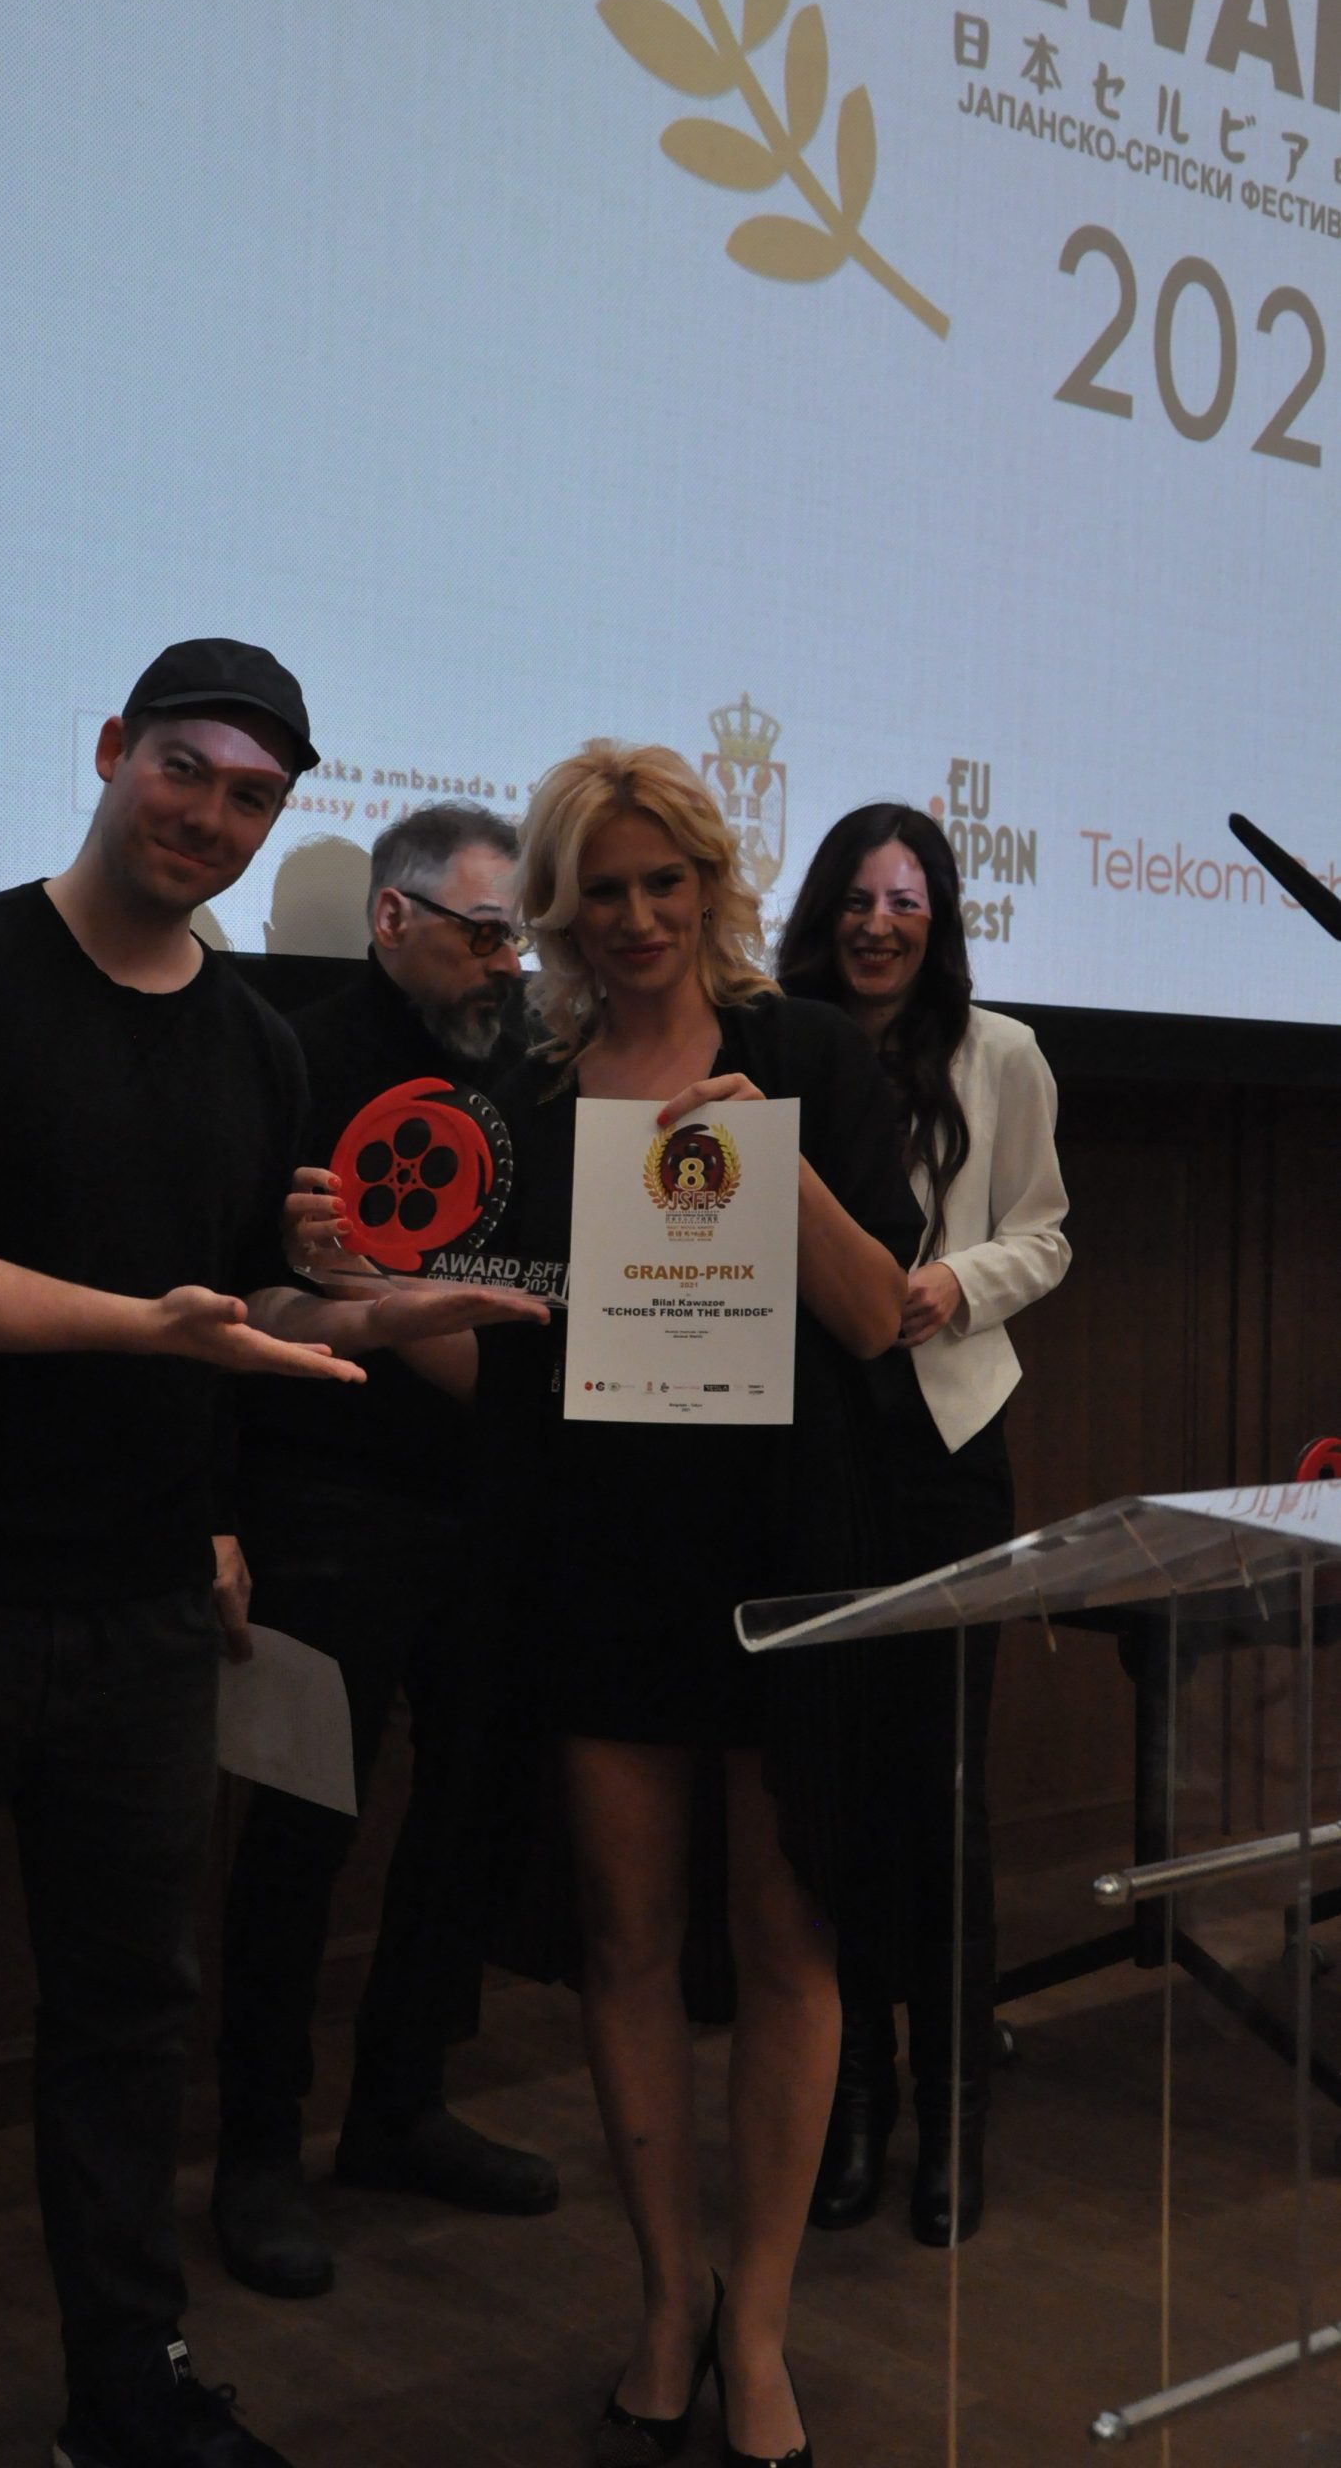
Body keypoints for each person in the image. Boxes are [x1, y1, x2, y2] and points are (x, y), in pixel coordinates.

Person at [0, 639, 543, 2468]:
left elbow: (245, 1311)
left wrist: (376, 1314)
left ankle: (127, 2397)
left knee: (130, 2029)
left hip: (141, 1611)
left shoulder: (253, 1044)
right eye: (184, 767)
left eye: (252, 796)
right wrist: (140, 1327)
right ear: (114, 749)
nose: (209, 813)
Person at [451, 742, 920, 2468]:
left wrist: (769, 1171)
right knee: (625, 1935)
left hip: (783, 1549)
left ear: (712, 888)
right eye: (606, 891)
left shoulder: (810, 1058)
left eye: (668, 883)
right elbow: (498, 1372)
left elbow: (876, 1318)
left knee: (790, 1938)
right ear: (561, 909)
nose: (639, 917)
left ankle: (762, 2325)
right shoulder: (527, 1096)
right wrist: (379, 1289)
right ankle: (668, 2303)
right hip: (600, 1557)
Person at [211, 802, 559, 2299]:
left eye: (520, 936)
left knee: (470, 1817)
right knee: (301, 1830)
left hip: (501, 1496)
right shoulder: (292, 1061)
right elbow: (235, 1298)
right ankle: (254, 2149)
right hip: (326, 1495)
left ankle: (401, 2108)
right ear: (392, 920)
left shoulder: (540, 1069)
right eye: (484, 933)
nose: (510, 962)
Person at [776, 802, 1070, 2247]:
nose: (879, 923)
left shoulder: (1000, 1052)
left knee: (941, 1799)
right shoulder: (773, 1047)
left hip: (947, 1447)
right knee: (829, 1798)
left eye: (906, 901)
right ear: (822, 912)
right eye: (857, 898)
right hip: (806, 1450)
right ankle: (855, 2109)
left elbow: (1047, 1230)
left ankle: (953, 2122)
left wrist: (958, 1284)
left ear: (940, 920)